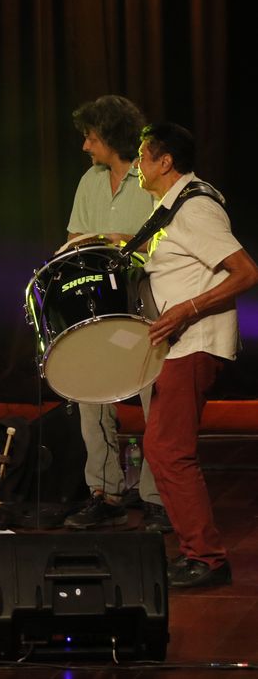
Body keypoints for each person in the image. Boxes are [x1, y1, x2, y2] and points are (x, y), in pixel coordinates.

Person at [137, 122, 258, 587]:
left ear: (165, 161)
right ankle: (197, 552)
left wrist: (185, 310)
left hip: (194, 342)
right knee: (161, 448)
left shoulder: (195, 208)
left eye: (143, 156)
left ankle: (207, 559)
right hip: (180, 344)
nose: (138, 166)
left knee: (169, 450)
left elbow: (246, 272)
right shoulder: (172, 208)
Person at [59, 95, 171, 533]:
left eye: (91, 137)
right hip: (99, 301)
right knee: (90, 396)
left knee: (154, 399)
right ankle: (105, 494)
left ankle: (158, 498)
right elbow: (75, 236)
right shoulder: (90, 181)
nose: (85, 146)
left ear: (111, 136)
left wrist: (123, 240)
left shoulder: (153, 176)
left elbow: (174, 239)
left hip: (147, 297)